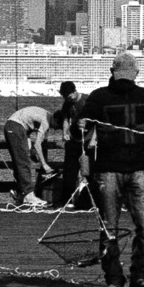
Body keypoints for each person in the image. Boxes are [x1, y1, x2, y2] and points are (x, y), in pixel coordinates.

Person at [80, 53, 144, 287]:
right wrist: (81, 124)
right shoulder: (98, 97)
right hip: (107, 170)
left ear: (136, 75)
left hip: (139, 167)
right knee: (109, 228)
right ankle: (114, 280)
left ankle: (141, 277)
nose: (125, 81)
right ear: (112, 72)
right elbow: (82, 124)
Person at [3, 103, 55, 208]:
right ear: (56, 120)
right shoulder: (46, 120)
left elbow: (28, 129)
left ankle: (20, 194)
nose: (55, 128)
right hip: (15, 127)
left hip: (16, 126)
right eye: (57, 126)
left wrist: (30, 151)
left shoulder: (45, 115)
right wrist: (44, 165)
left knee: (21, 161)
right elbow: (37, 144)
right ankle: (28, 195)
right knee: (22, 162)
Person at [53, 80, 89, 209]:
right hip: (74, 140)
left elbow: (97, 120)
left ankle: (87, 201)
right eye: (65, 98)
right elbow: (65, 119)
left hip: (88, 140)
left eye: (69, 97)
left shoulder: (87, 101)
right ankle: (66, 201)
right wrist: (65, 132)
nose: (68, 100)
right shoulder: (67, 104)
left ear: (75, 92)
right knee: (69, 171)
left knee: (88, 171)